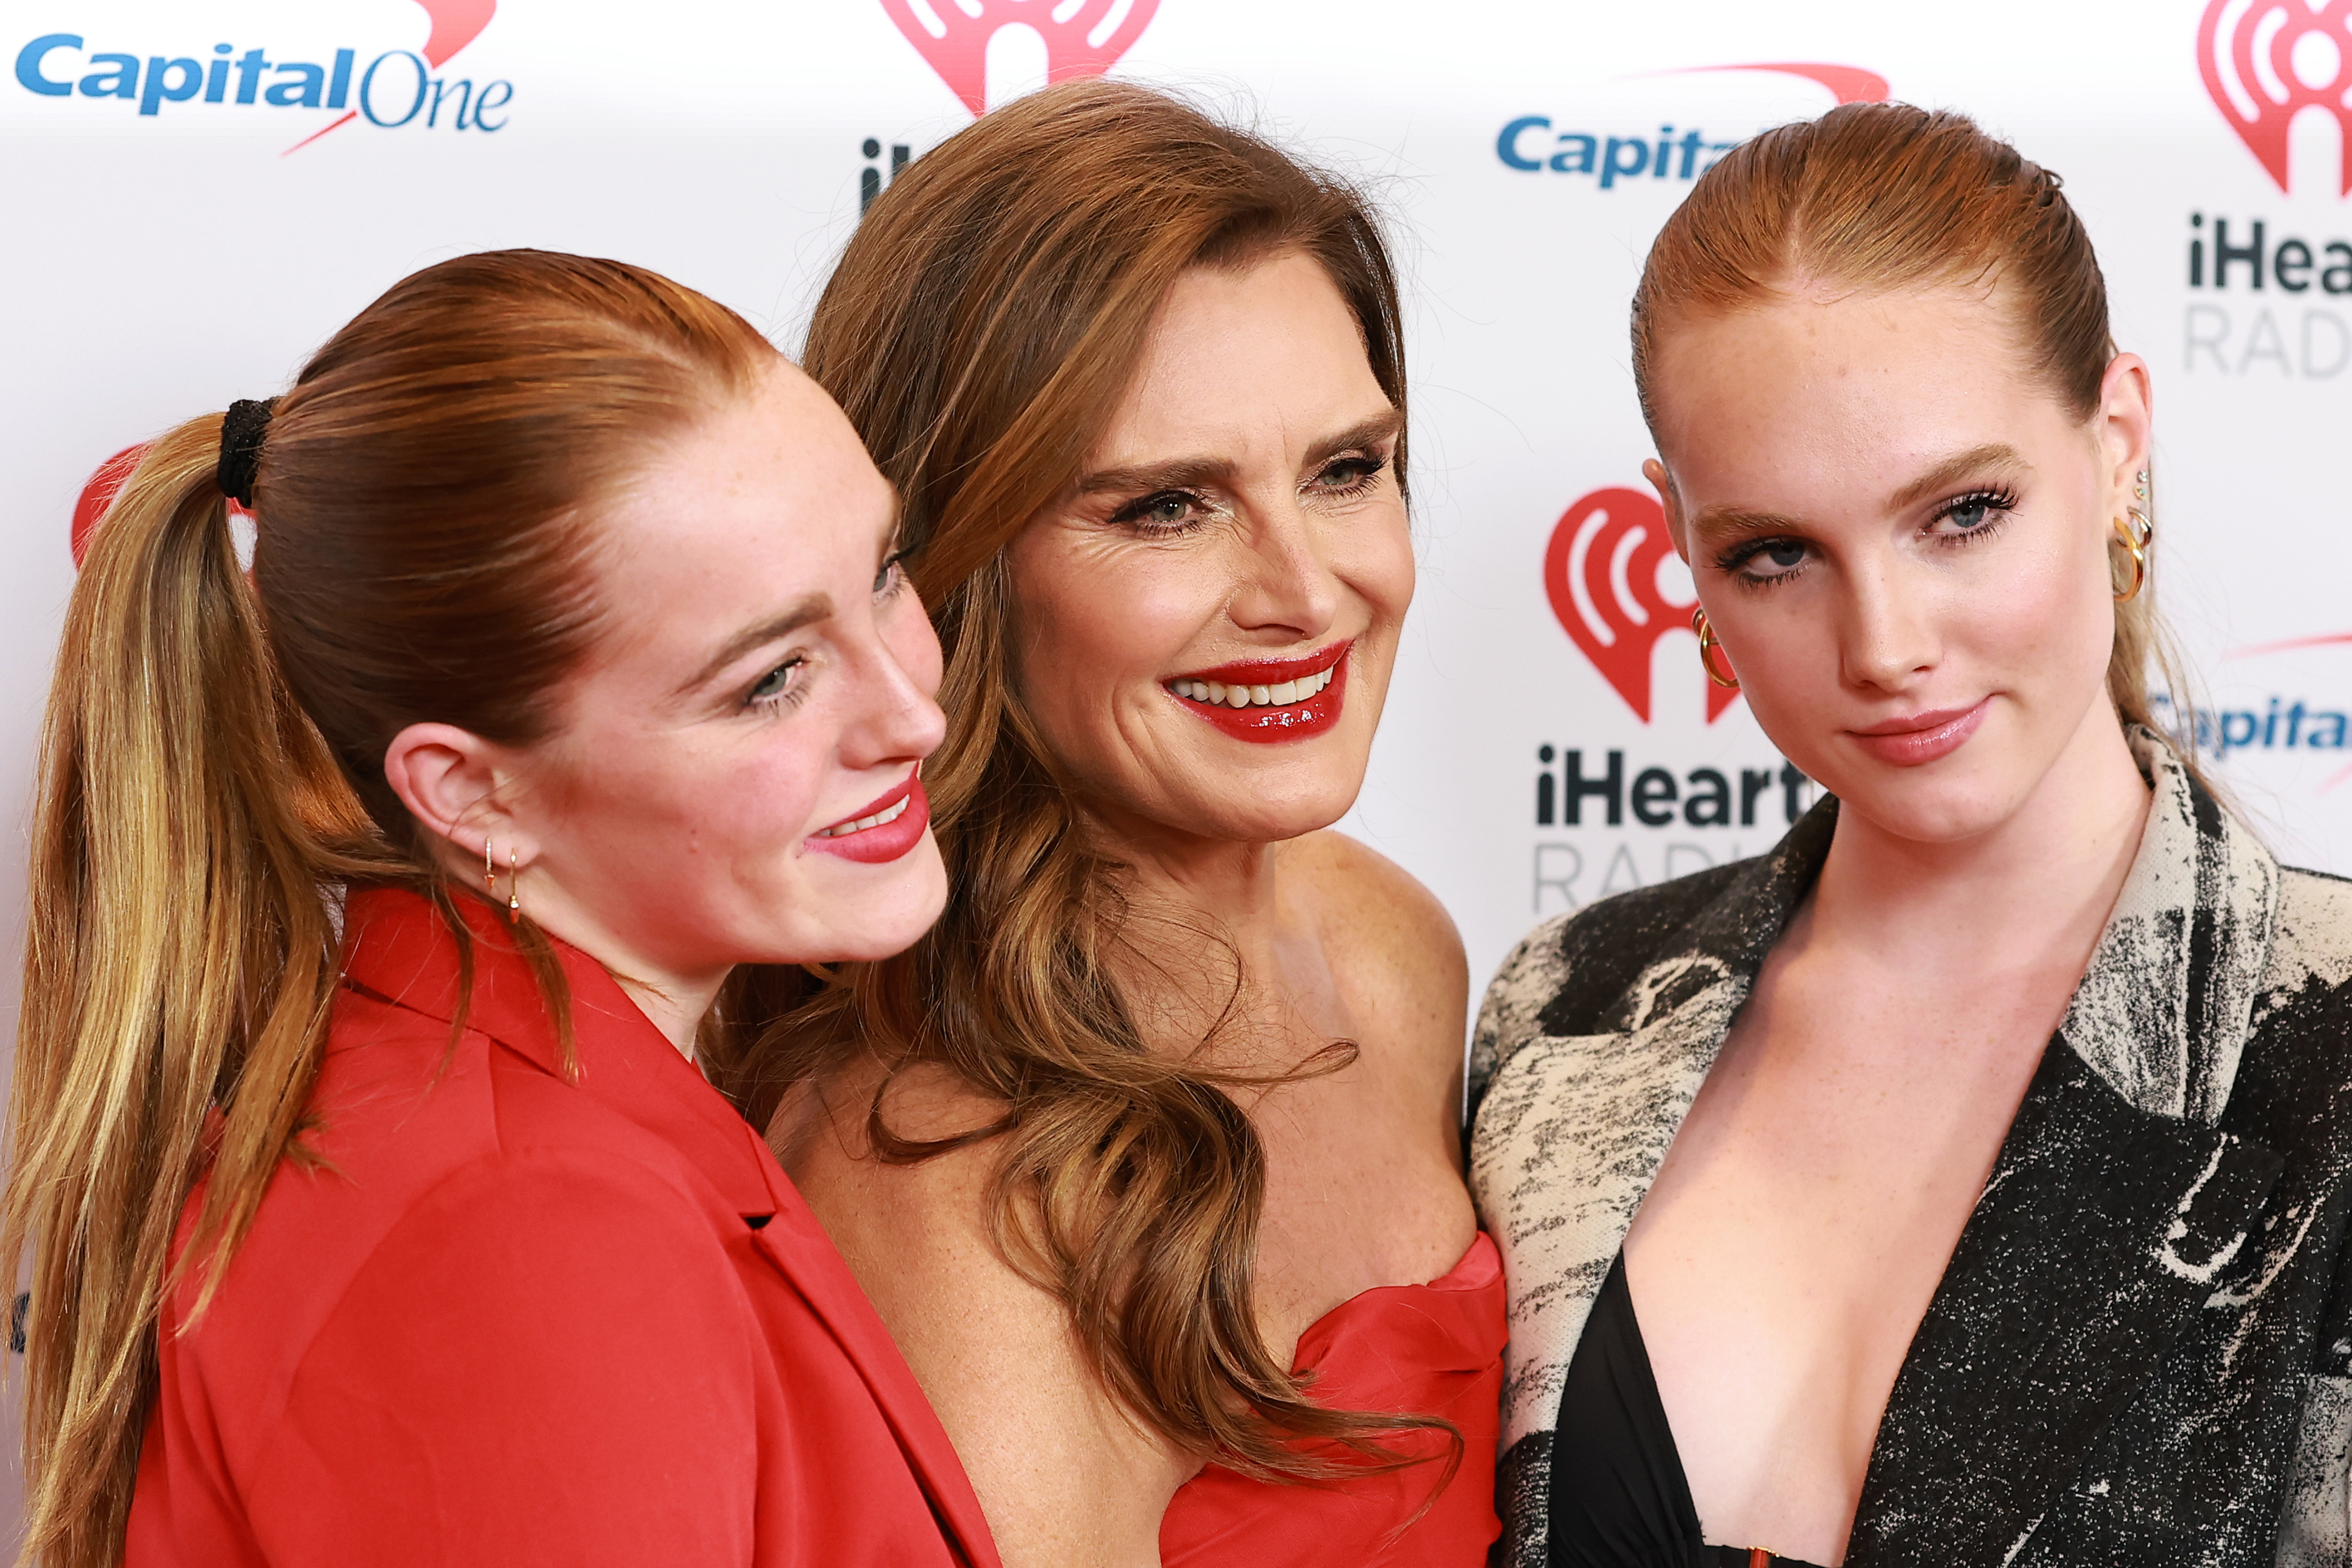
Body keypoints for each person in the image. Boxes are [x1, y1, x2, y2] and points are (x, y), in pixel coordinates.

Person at [2, 250, 1000, 1568]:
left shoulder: (525, 1111)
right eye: (771, 679)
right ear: (473, 793)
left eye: (883, 571)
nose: (911, 710)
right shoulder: (526, 1226)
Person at [1468, 101, 2352, 1568]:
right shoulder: (1566, 1005)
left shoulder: (2325, 1051)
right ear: (1677, 540)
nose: (1881, 647)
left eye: (1961, 513)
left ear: (2115, 442)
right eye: (1773, 552)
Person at [758, 81, 1504, 1567]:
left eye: (1345, 470)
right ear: (954, 565)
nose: (1303, 590)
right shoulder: (943, 1155)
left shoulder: (1392, 937)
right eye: (1168, 506)